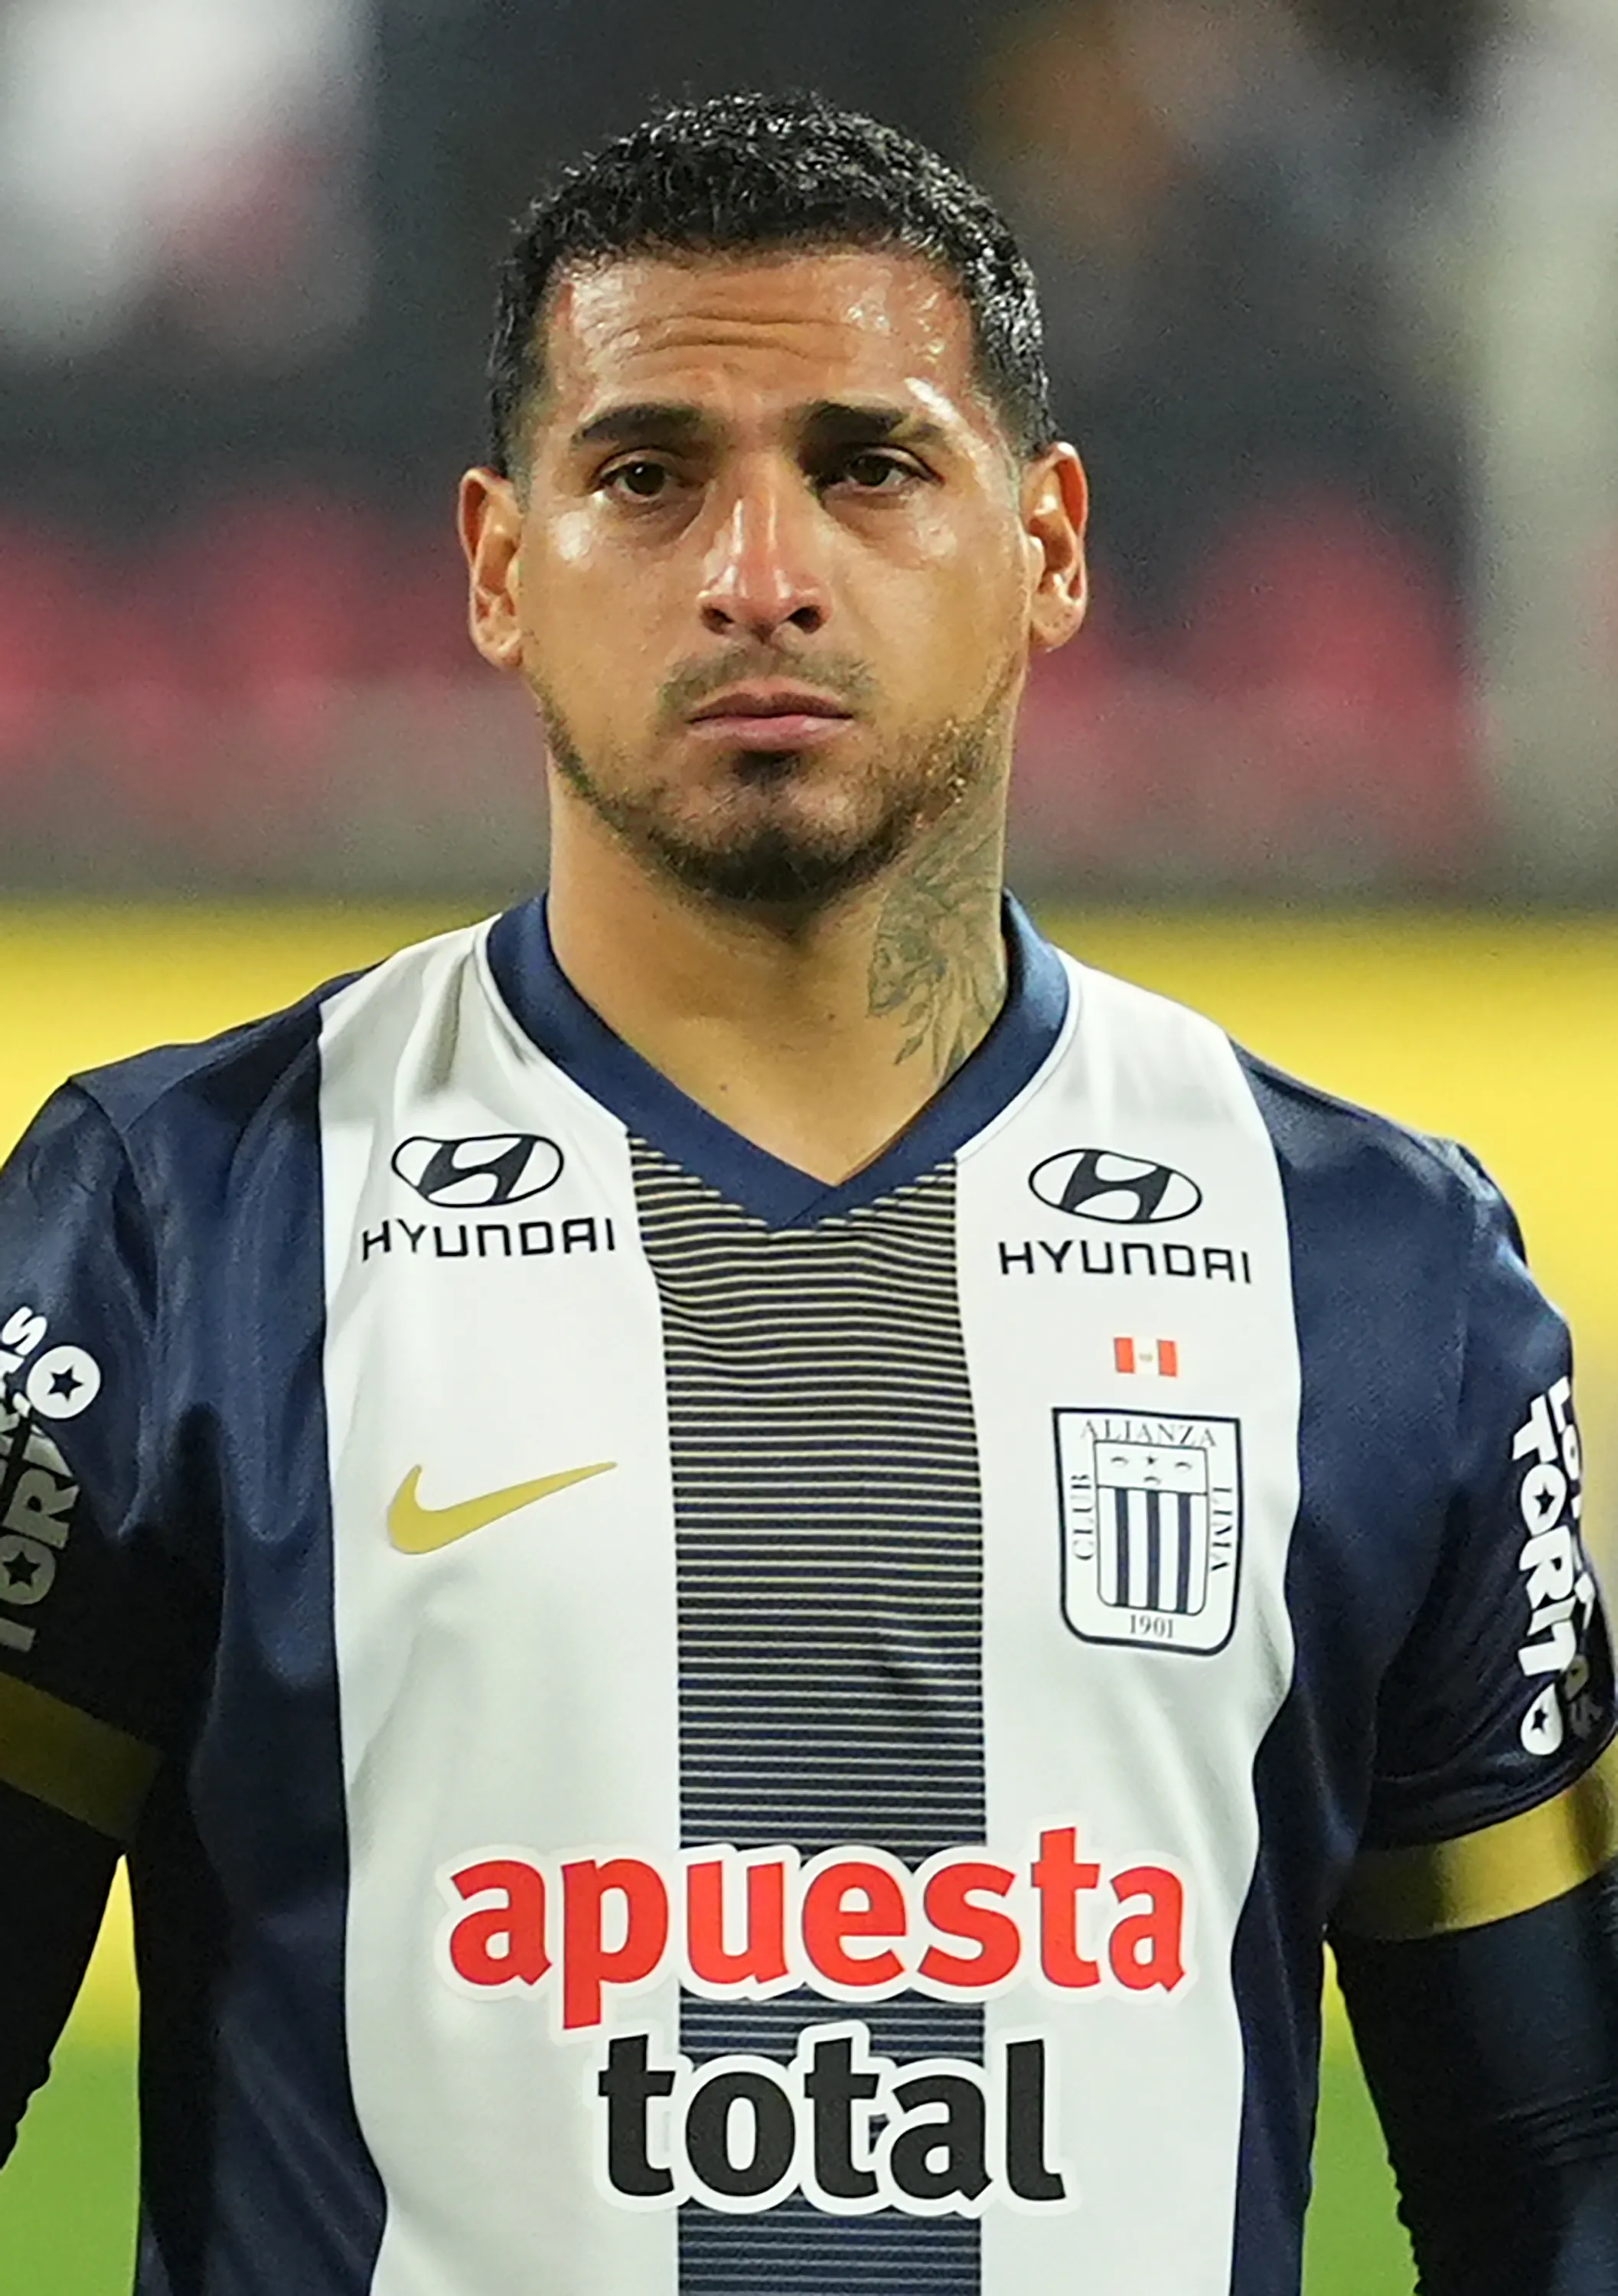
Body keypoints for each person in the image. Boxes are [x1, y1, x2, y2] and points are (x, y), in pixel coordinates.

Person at [0, 91, 1614, 2296]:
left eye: (868, 465)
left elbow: (1558, 2176)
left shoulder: (1384, 1279)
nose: (760, 572)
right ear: (495, 561)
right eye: (648, 475)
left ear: (1048, 541)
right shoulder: (174, 1232)